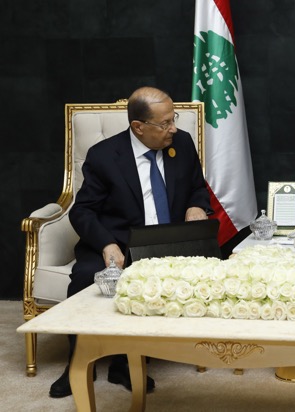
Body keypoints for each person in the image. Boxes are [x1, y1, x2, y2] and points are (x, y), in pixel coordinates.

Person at [49, 86, 213, 398]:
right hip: (119, 244)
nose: (173, 129)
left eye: (173, 119)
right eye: (165, 124)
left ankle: (126, 365)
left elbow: (197, 188)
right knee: (84, 277)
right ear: (138, 127)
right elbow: (82, 211)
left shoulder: (182, 144)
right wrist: (106, 244)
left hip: (168, 244)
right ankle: (76, 362)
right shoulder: (103, 156)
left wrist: (197, 206)